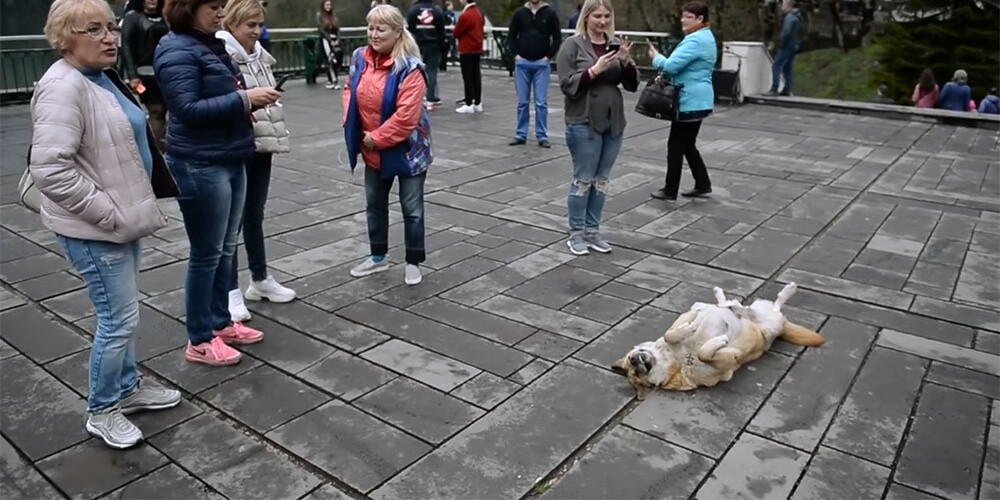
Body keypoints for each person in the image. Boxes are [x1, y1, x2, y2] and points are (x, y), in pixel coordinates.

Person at [32, 0, 182, 449]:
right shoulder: (63, 87)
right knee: (117, 320)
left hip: (119, 221)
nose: (110, 37)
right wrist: (108, 213)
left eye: (111, 27)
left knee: (123, 314)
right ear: (64, 38)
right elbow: (50, 170)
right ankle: (102, 409)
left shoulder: (97, 77)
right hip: (96, 227)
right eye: (93, 30)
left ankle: (128, 389)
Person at [155, 0, 281, 366]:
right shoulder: (177, 47)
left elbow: (217, 99)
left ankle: (221, 322)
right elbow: (188, 110)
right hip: (198, 162)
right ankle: (199, 337)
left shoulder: (210, 43)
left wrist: (250, 102)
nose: (220, 14)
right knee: (206, 253)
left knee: (226, 247)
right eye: (212, 6)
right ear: (187, 8)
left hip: (229, 155)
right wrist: (244, 99)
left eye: (222, 6)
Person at [218, 0, 295, 323]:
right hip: (237, 144)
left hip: (262, 142)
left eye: (259, 24)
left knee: (254, 214)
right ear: (233, 23)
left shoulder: (259, 54)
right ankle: (230, 290)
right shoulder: (222, 54)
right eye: (250, 25)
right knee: (231, 221)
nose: (257, 31)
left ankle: (260, 278)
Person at [343, 4, 430, 286]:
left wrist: (375, 137)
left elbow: (407, 118)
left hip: (408, 151)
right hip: (371, 148)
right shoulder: (360, 58)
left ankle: (413, 261)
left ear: (397, 32)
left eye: (381, 29)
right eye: (370, 28)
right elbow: (350, 89)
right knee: (374, 205)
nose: (374, 34)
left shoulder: (411, 69)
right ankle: (378, 257)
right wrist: (351, 122)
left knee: (412, 208)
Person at [557, 0, 637, 255]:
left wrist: (625, 62)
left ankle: (593, 231)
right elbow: (567, 85)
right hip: (583, 121)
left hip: (613, 121)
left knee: (601, 180)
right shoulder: (571, 46)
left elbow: (633, 85)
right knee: (583, 179)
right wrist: (594, 70)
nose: (602, 21)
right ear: (586, 17)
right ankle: (576, 233)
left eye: (606, 16)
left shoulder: (614, 44)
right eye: (597, 16)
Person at [648, 1, 716, 201]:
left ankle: (670, 190)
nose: (682, 20)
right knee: (688, 144)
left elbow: (669, 67)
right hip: (700, 100)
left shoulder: (695, 40)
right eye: (683, 15)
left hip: (689, 100)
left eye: (688, 16)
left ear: (700, 19)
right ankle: (703, 184)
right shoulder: (707, 37)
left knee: (675, 145)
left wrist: (655, 57)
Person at [508, 0, 561, 148]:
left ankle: (542, 135)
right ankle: (521, 134)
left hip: (541, 64)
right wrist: (516, 55)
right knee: (522, 102)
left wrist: (548, 56)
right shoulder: (519, 13)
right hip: (522, 63)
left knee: (541, 103)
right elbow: (511, 35)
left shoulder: (550, 13)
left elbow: (557, 38)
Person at [120, 0, 169, 151]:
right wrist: (132, 76)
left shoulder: (166, 17)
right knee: (156, 110)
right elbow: (126, 46)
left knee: (169, 111)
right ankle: (158, 152)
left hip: (168, 73)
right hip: (145, 75)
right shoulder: (132, 17)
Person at [406, 0, 446, 109]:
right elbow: (441, 32)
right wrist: (443, 47)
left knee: (416, 72)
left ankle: (417, 97)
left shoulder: (413, 10)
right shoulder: (437, 11)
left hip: (418, 46)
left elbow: (409, 29)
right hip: (434, 45)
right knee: (431, 72)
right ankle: (430, 99)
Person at [764, 0, 800, 97]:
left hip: (787, 46)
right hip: (794, 45)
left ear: (787, 5)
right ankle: (787, 89)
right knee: (788, 68)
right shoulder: (796, 16)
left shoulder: (789, 17)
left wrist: (781, 43)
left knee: (776, 66)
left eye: (783, 4)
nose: (781, 7)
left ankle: (774, 89)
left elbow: (786, 32)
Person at [453, 0, 484, 113]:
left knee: (467, 78)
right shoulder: (478, 12)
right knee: (476, 76)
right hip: (477, 49)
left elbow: (456, 32)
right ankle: (478, 102)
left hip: (466, 49)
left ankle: (469, 103)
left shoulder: (466, 15)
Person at [317, 0, 342, 89]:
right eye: (326, 5)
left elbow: (338, 29)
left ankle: (334, 79)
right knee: (330, 59)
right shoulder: (319, 16)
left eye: (329, 5)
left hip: (335, 40)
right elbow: (321, 29)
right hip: (326, 40)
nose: (328, 6)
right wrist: (330, 40)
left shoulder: (334, 16)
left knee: (336, 59)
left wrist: (338, 40)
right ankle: (332, 80)